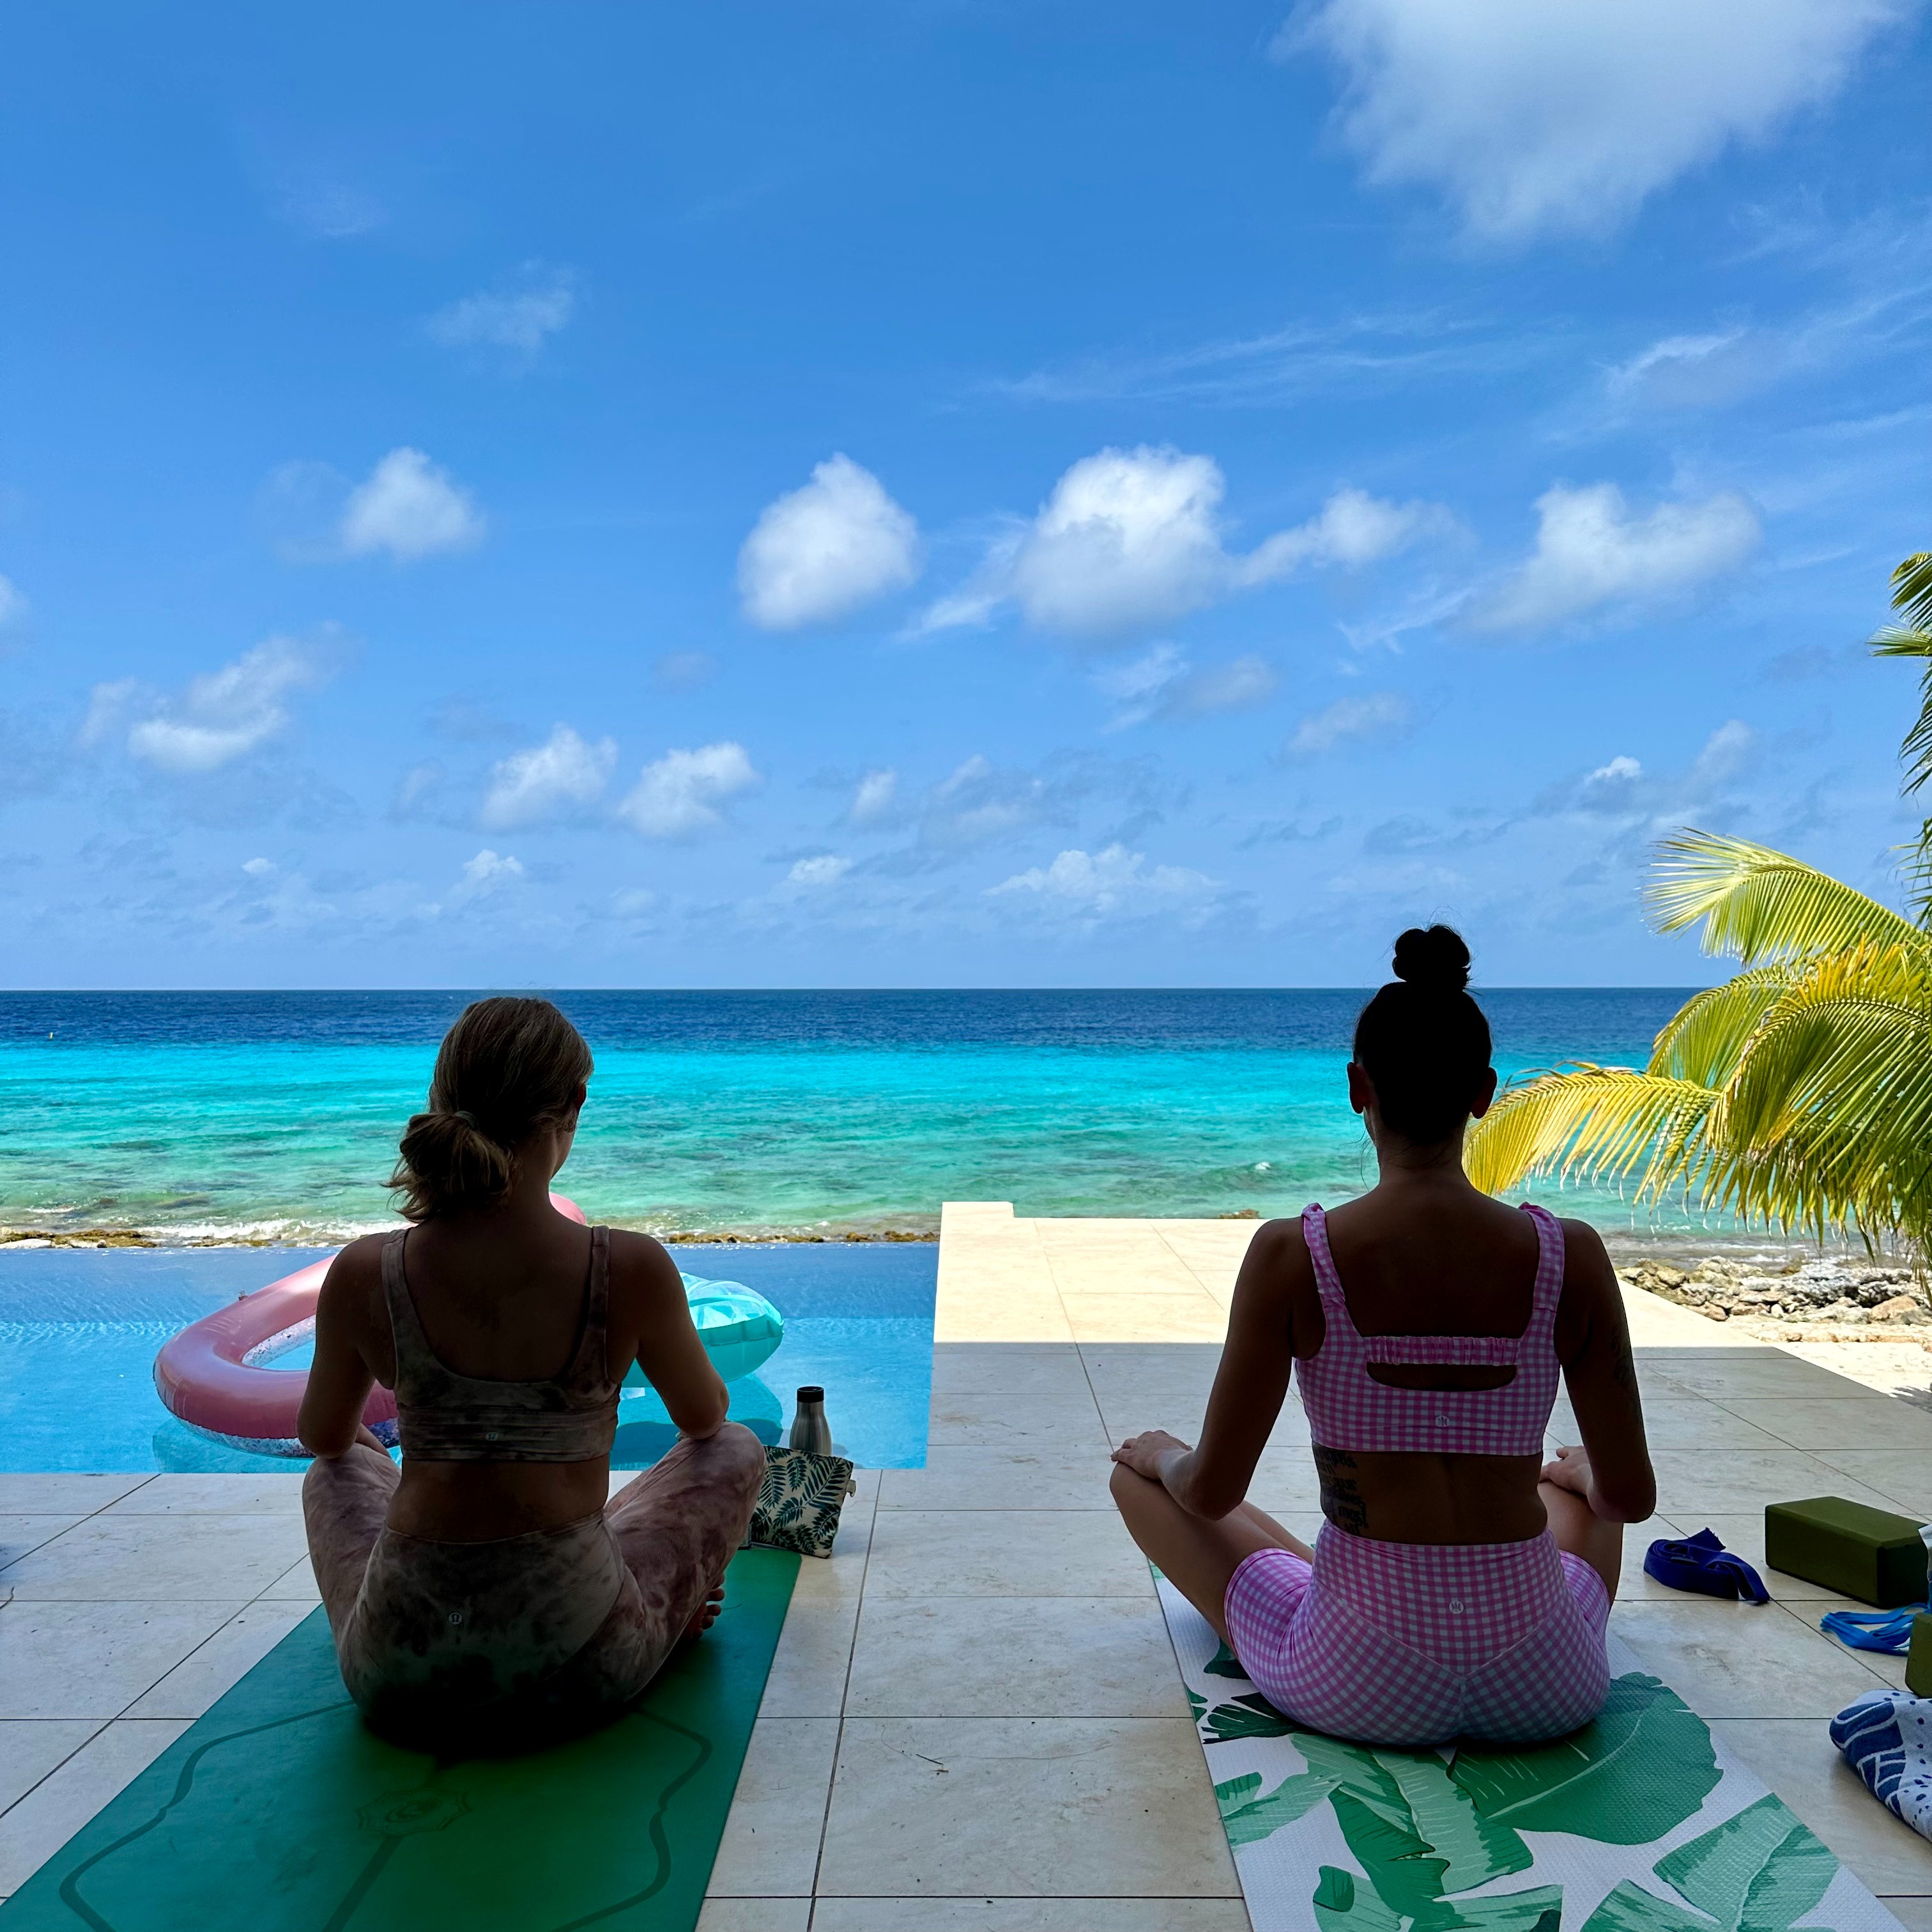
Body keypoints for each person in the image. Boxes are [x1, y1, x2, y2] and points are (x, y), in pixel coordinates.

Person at [1110, 926, 1655, 1748]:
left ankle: (1340, 1584)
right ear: (1484, 1093)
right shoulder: (1567, 1255)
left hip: (1359, 1682)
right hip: (1545, 1685)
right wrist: (1586, 1476)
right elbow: (1630, 1500)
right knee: (1574, 1492)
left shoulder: (1295, 1255)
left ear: (1358, 1087)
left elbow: (1211, 1493)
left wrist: (1162, 1457)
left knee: (1143, 1484)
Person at [297, 996, 766, 1750]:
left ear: (442, 1101)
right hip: (578, 1669)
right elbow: (705, 1420)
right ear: (574, 1103)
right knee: (736, 1447)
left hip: (400, 1675)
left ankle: (569, 1574)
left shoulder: (364, 1271)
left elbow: (322, 1437)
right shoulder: (627, 1267)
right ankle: (657, 1608)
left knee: (337, 1468)